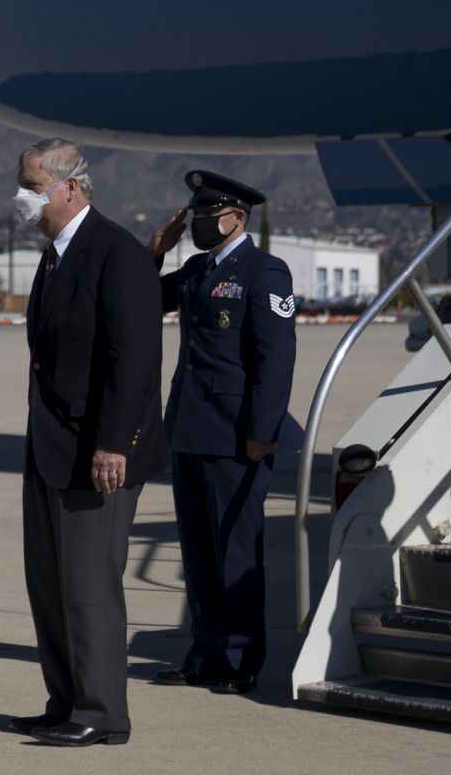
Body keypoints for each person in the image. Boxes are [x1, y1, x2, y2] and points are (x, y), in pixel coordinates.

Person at [7, 138, 167, 748]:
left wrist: (114, 443)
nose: (22, 197)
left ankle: (102, 711)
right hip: (50, 448)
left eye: (32, 186)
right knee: (49, 585)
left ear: (70, 186)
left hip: (97, 452)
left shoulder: (115, 253)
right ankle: (65, 702)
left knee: (88, 586)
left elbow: (135, 360)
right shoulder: (56, 256)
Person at [145, 171, 295, 697]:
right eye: (196, 216)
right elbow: (142, 299)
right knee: (198, 552)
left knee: (236, 551)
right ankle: (203, 655)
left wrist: (263, 431)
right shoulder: (193, 270)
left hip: (236, 435)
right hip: (189, 428)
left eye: (209, 216)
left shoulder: (265, 271)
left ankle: (239, 660)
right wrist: (155, 253)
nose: (200, 225)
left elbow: (275, 358)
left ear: (237, 217)